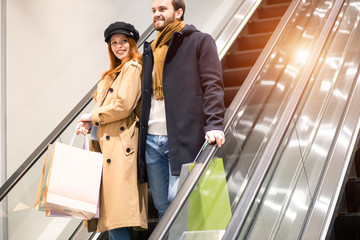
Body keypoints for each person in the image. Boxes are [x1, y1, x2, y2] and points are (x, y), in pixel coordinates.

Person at [139, 0, 226, 219]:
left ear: (179, 12)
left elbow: (212, 85)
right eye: (153, 10)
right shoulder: (150, 49)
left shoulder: (199, 41)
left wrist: (215, 123)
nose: (156, 14)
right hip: (151, 140)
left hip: (183, 136)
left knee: (182, 203)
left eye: (162, 9)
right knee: (161, 204)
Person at [76, 21, 147, 240]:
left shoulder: (132, 67)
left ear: (132, 42)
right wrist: (90, 123)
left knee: (118, 217)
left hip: (120, 148)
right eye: (114, 43)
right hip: (106, 149)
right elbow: (105, 110)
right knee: (113, 218)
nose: (119, 46)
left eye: (124, 41)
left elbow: (123, 106)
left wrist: (92, 116)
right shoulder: (111, 74)